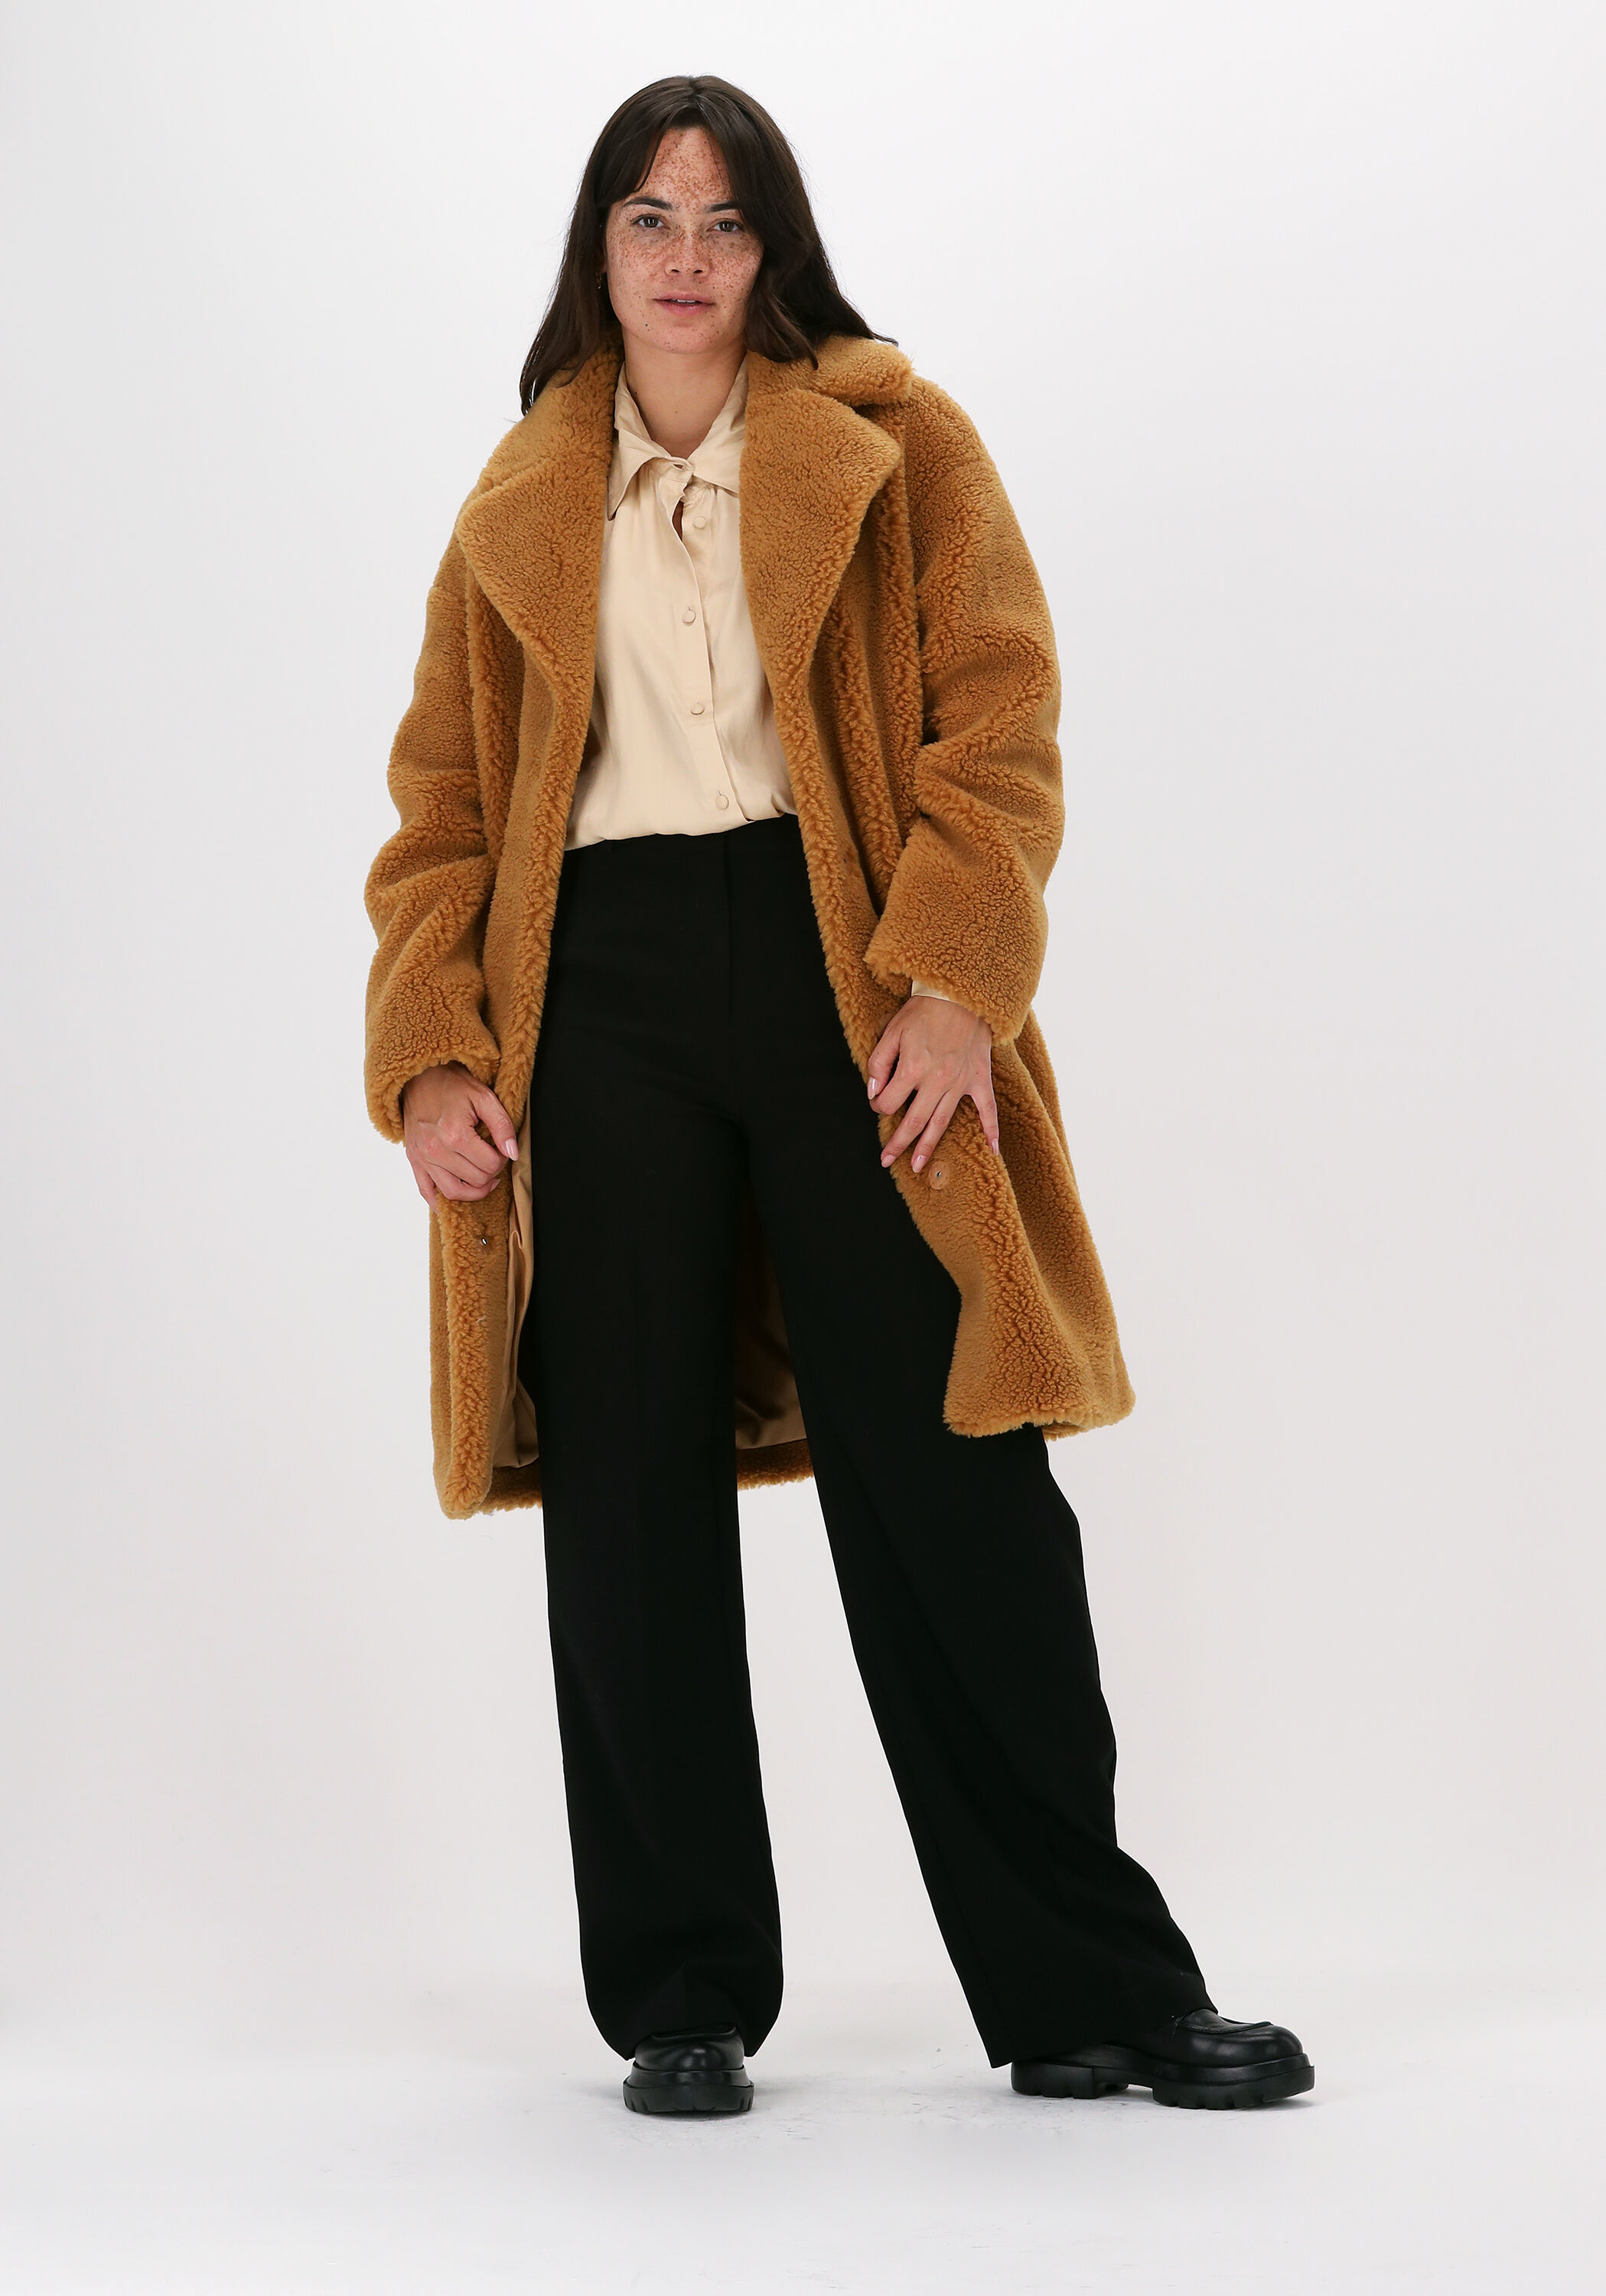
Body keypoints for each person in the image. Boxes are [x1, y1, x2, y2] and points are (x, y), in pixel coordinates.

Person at [363, 74, 1312, 2118]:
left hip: (845, 970)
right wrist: (432, 1048)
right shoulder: (516, 502)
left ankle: (1091, 1986)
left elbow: (1000, 716)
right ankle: (681, 1994)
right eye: (647, 219)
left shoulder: (895, 440)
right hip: (600, 998)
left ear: (774, 246)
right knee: (626, 1492)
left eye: (724, 221)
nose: (686, 259)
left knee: (957, 1471)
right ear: (596, 249)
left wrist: (955, 981)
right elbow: (441, 811)